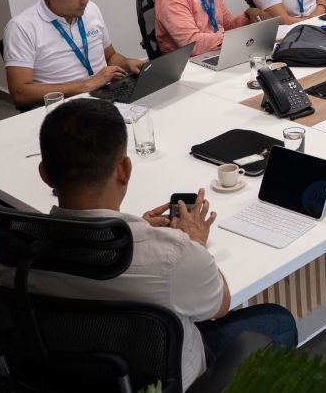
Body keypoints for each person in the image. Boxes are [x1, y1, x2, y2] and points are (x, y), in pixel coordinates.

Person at [26, 99, 297, 387]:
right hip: (166, 381)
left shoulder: (13, 244)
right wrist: (192, 243)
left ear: (44, 174)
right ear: (124, 169)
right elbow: (221, 305)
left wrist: (138, 228)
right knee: (277, 321)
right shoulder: (173, 255)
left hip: (71, 377)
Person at [5, 0, 146, 108]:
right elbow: (20, 93)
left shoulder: (91, 10)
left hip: (105, 95)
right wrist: (86, 85)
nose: (85, 0)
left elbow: (110, 56)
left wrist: (127, 64)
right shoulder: (22, 27)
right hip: (65, 107)